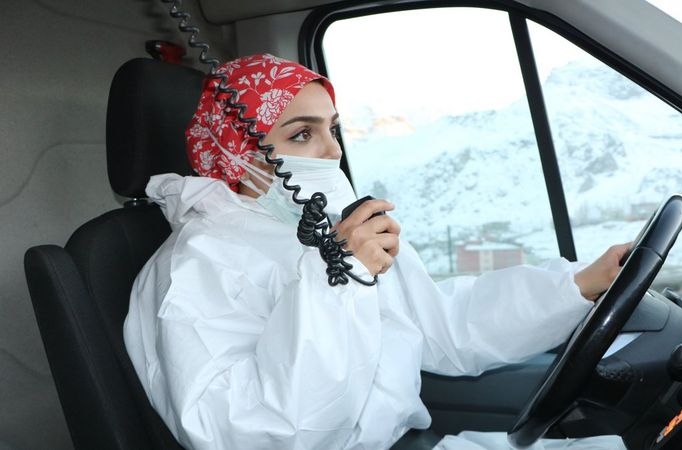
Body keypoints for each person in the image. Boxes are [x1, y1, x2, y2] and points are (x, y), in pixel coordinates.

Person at [124, 53, 629, 450]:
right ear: (239, 151)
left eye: (332, 128)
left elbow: (440, 326)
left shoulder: (317, 228)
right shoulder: (195, 265)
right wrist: (337, 278)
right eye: (303, 133)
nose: (333, 150)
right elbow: (255, 433)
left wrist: (576, 286)